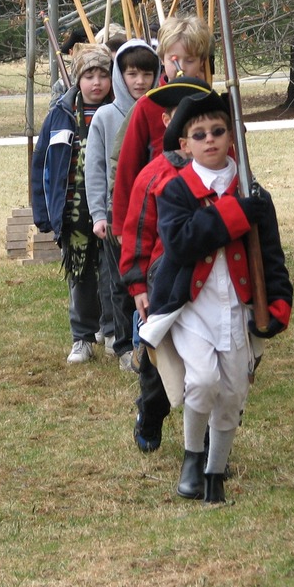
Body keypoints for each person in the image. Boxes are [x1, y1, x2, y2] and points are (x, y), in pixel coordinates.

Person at [138, 91, 292, 504]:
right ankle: (192, 457)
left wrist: (279, 303)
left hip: (236, 309)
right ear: (184, 145)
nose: (210, 139)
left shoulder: (254, 194)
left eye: (218, 131)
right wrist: (235, 214)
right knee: (202, 380)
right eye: (200, 134)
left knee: (232, 393)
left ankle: (214, 472)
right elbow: (181, 242)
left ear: (232, 137)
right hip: (191, 308)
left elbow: (272, 257)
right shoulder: (176, 191)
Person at [119, 76, 211, 452]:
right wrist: (138, 286)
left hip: (211, 283)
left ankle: (209, 439)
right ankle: (151, 412)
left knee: (213, 365)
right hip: (165, 285)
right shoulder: (154, 176)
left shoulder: (225, 175)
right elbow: (137, 234)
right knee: (161, 363)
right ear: (168, 123)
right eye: (183, 120)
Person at [31, 42, 113, 364]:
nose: (96, 83)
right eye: (89, 76)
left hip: (109, 211)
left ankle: (113, 332)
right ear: (77, 79)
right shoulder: (59, 116)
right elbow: (42, 165)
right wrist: (44, 213)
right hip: (72, 213)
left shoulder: (117, 113)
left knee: (111, 274)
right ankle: (82, 337)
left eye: (103, 75)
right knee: (80, 277)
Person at [85, 38, 160, 369]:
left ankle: (149, 340)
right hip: (118, 213)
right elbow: (96, 169)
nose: (140, 81)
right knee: (119, 280)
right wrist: (98, 215)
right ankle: (123, 345)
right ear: (120, 74)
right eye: (132, 74)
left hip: (153, 211)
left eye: (147, 73)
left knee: (150, 277)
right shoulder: (105, 116)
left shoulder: (161, 111)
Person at [111, 15, 213, 241]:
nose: (181, 67)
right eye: (174, 59)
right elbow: (127, 166)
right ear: (163, 59)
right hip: (157, 212)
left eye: (190, 60)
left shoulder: (210, 101)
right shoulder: (147, 105)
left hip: (207, 210)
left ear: (201, 62)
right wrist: (121, 227)